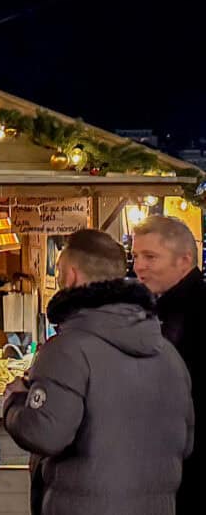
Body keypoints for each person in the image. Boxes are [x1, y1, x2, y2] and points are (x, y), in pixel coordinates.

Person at [4, 229, 193, 515]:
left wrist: (15, 402)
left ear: (71, 277)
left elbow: (45, 434)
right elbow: (185, 442)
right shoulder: (168, 354)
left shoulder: (66, 350)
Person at [133, 215, 205, 513]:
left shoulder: (193, 311)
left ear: (184, 260)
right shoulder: (156, 308)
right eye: (135, 256)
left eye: (150, 257)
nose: (139, 266)